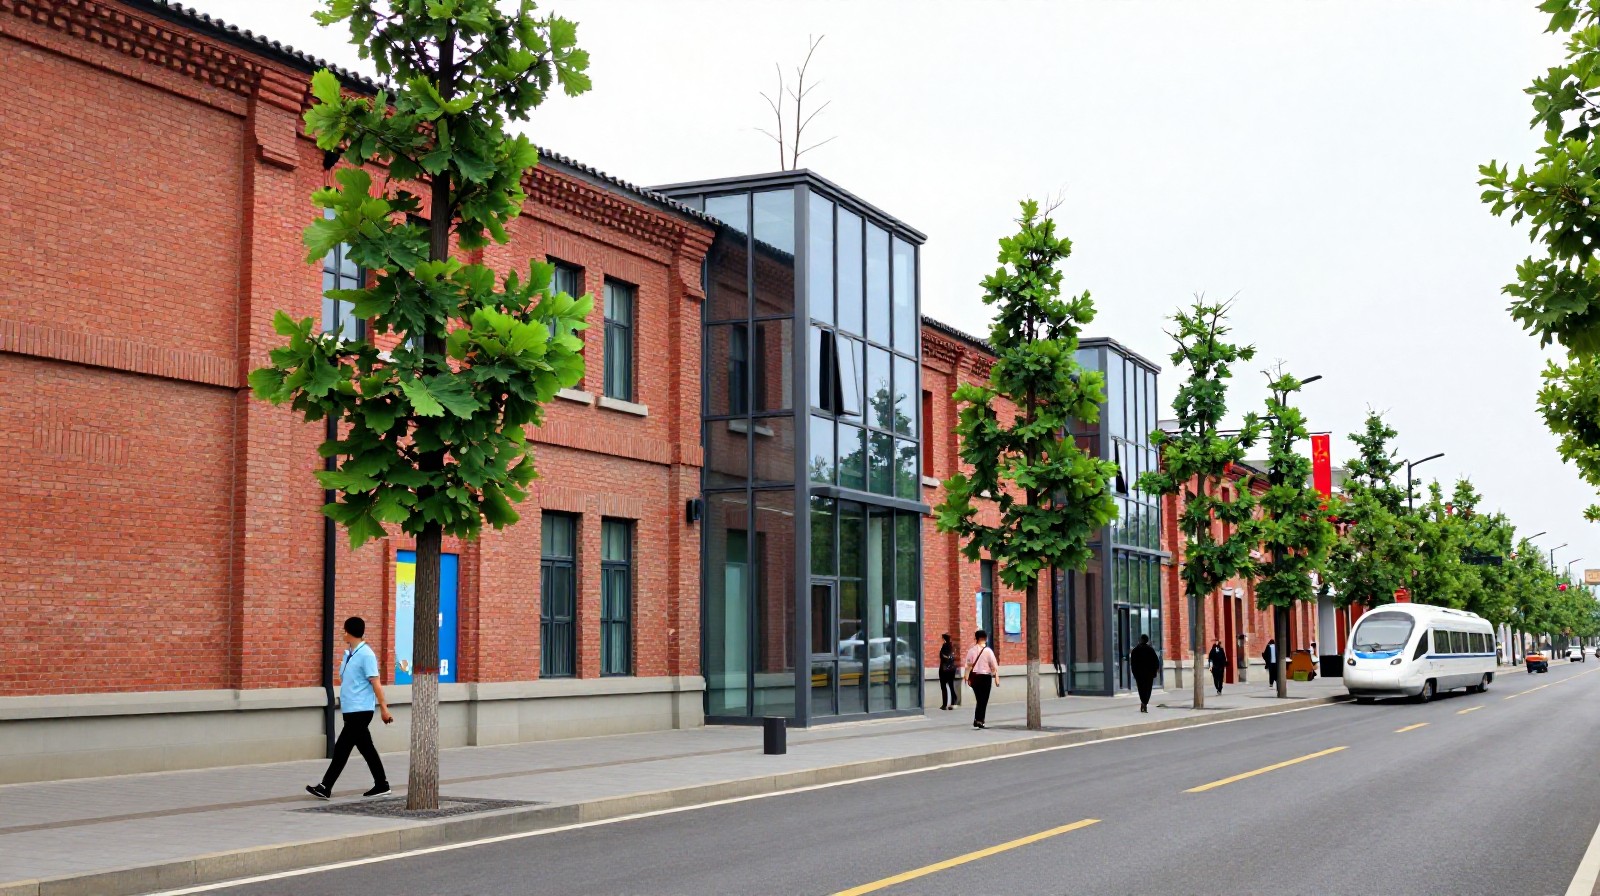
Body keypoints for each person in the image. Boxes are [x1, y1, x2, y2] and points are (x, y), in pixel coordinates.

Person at [307, 617, 393, 800]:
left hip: (361, 711)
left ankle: (325, 786)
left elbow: (376, 682)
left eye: (344, 630)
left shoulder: (366, 654)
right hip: (351, 709)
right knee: (366, 748)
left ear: (348, 632)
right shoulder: (350, 654)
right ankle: (382, 784)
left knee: (342, 749)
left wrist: (384, 709)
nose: (342, 633)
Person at [964, 630, 999, 729]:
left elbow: (968, 665)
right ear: (985, 638)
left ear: (976, 638)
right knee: (983, 700)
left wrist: (966, 677)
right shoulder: (988, 651)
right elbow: (994, 665)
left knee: (979, 699)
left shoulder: (971, 651)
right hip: (985, 677)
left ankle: (977, 719)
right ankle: (980, 720)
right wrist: (996, 677)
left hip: (975, 677)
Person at [1130, 634, 1160, 712]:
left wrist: (1134, 673)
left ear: (1140, 640)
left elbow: (1133, 663)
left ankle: (1143, 702)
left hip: (1139, 674)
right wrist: (1155, 672)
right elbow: (1156, 662)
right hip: (1149, 674)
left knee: (1141, 689)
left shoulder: (1135, 650)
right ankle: (1145, 703)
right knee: (1148, 689)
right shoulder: (1150, 650)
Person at [938, 633, 959, 711]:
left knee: (943, 687)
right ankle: (953, 702)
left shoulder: (944, 646)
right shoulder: (952, 646)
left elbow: (943, 657)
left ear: (943, 639)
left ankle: (944, 704)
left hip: (944, 669)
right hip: (952, 669)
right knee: (951, 685)